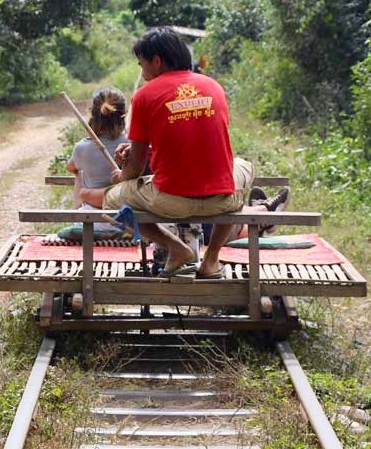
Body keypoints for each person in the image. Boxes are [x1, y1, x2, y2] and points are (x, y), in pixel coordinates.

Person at [79, 27, 260, 278]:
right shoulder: (213, 86)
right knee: (243, 166)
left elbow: (136, 166)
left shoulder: (145, 95)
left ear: (156, 61)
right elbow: (197, 136)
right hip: (223, 199)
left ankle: (175, 247)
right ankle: (210, 261)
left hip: (171, 201)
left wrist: (122, 176)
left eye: (142, 64)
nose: (142, 73)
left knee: (112, 199)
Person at [64, 87, 128, 237]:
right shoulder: (132, 145)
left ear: (93, 115)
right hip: (127, 220)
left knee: (79, 173)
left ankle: (76, 212)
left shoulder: (82, 147)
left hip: (91, 222)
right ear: (123, 115)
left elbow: (70, 167)